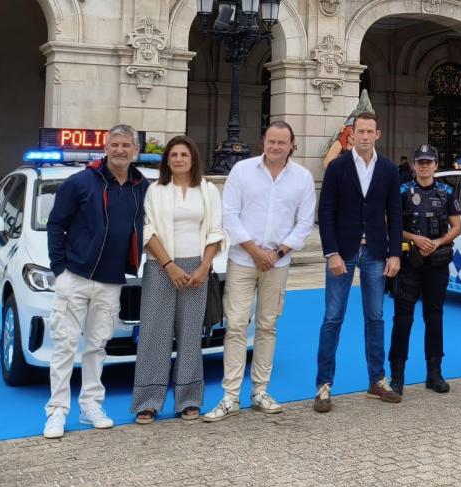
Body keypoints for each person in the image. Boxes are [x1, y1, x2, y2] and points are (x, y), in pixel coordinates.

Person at [204, 121, 316, 422]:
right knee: (236, 325)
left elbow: (304, 223)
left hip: (278, 263)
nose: (276, 147)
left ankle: (259, 392)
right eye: (271, 141)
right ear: (262, 141)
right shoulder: (242, 171)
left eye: (282, 142)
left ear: (292, 145)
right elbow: (229, 213)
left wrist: (277, 252)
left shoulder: (303, 178)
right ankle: (230, 396)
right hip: (242, 259)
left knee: (267, 326)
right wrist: (254, 250)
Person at [43, 124, 150, 439]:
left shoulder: (140, 186)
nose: (120, 150)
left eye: (126, 145)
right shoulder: (80, 182)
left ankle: (91, 406)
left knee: (96, 346)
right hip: (74, 277)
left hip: (111, 281)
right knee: (64, 346)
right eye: (115, 145)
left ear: (134, 151)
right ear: (106, 147)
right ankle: (57, 412)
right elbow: (55, 224)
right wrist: (60, 268)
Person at [131, 136, 224, 424]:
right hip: (161, 267)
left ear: (193, 159)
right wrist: (169, 265)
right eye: (174, 155)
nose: (179, 159)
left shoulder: (207, 190)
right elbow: (146, 230)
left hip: (196, 270)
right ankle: (147, 401)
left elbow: (216, 231)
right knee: (154, 335)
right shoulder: (154, 191)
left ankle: (189, 400)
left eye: (184, 154)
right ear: (167, 160)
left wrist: (203, 267)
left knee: (190, 336)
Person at [316, 111, 404, 412]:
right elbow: (325, 212)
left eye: (370, 132)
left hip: (376, 253)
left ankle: (377, 380)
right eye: (360, 132)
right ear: (352, 135)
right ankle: (323, 385)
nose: (365, 137)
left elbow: (395, 213)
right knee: (333, 317)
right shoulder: (337, 168)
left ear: (377, 135)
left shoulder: (390, 169)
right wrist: (332, 253)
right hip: (344, 251)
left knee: (376, 317)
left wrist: (395, 253)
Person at [388, 144, 461, 396]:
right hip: (409, 262)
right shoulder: (401, 192)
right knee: (402, 318)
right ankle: (397, 376)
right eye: (420, 162)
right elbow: (391, 224)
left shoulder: (446, 192)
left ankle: (434, 373)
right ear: (414, 166)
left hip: (436, 264)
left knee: (435, 316)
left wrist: (438, 242)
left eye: (428, 162)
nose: (424, 166)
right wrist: (415, 239)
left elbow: (456, 226)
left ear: (436, 164)